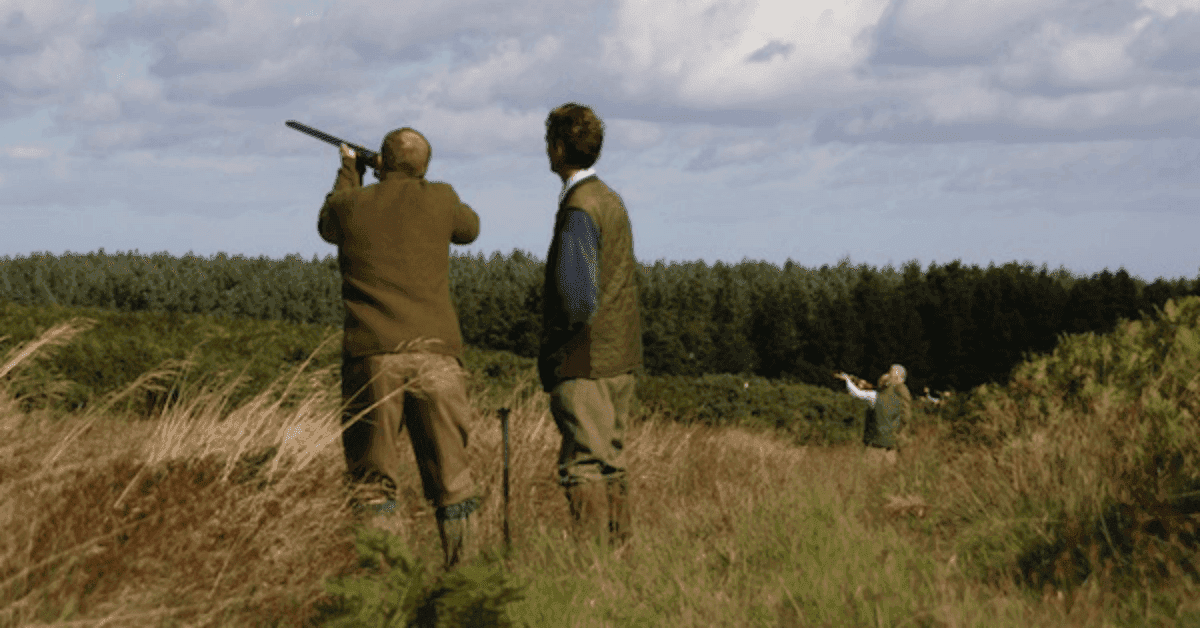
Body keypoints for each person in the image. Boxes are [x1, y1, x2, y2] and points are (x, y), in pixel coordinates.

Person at [318, 127, 482, 570]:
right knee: (453, 478)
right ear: (424, 165)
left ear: (382, 164)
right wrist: (420, 184)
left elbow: (328, 223)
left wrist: (351, 171)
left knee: (373, 483)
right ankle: (465, 582)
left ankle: (385, 586)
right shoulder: (442, 197)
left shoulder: (351, 203)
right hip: (438, 356)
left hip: (373, 357)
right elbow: (470, 229)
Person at [538, 103, 642, 551]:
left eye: (549, 142)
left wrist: (554, 349)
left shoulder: (579, 207)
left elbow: (578, 300)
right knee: (612, 463)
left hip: (586, 360)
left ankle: (592, 570)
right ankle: (620, 563)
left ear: (559, 147)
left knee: (583, 466)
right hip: (619, 356)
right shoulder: (610, 199)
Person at [837, 364, 912, 464]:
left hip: (881, 439)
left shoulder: (892, 392)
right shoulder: (896, 393)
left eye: (890, 372)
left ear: (898, 377)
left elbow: (857, 393)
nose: (888, 374)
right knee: (888, 472)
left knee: (870, 471)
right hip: (890, 440)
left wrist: (847, 380)